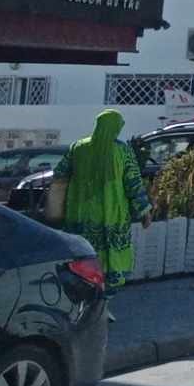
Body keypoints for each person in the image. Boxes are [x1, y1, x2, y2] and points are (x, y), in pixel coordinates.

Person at [51, 109, 152, 290]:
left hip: (79, 214)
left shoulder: (78, 147)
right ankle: (104, 300)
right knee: (111, 261)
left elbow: (59, 174)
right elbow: (133, 183)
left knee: (83, 258)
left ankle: (86, 297)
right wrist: (144, 211)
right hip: (111, 214)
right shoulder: (122, 150)